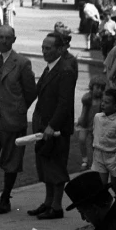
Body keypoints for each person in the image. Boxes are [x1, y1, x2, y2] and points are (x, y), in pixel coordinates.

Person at [0, 25, 37, 215]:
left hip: (12, 121)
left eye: (7, 38)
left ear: (14, 39)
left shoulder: (21, 63)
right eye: (0, 37)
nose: (3, 41)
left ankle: (5, 198)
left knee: (11, 162)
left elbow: (30, 92)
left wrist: (18, 109)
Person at [28, 31, 79, 219]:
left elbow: (64, 103)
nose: (44, 51)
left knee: (56, 166)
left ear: (59, 49)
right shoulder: (50, 67)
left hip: (55, 128)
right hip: (43, 124)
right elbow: (38, 90)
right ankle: (48, 202)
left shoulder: (65, 70)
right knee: (45, 165)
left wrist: (52, 125)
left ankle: (56, 206)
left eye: (48, 48)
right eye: (43, 48)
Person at [90, 88, 116, 197]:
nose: (103, 104)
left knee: (114, 185)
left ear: (115, 106)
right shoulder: (97, 117)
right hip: (99, 155)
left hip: (113, 157)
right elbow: (94, 133)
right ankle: (105, 206)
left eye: (106, 102)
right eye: (102, 101)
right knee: (102, 185)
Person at [75, 76, 106, 170]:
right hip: (85, 122)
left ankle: (96, 161)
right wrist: (80, 121)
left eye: (101, 88)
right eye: (97, 88)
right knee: (82, 139)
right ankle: (84, 160)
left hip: (96, 124)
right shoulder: (87, 98)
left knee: (95, 144)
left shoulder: (102, 100)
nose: (99, 90)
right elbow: (84, 112)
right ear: (92, 87)